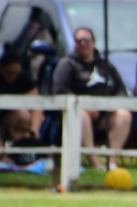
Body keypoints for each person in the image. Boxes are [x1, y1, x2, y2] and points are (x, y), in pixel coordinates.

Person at [52, 27, 131, 171]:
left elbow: (121, 90)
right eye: (79, 41)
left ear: (94, 43)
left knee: (124, 115)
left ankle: (111, 163)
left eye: (87, 40)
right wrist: (84, 106)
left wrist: (113, 105)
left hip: (104, 115)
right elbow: (60, 90)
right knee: (81, 115)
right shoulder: (67, 65)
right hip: (75, 115)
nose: (83, 44)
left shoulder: (106, 65)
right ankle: (95, 163)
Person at [0, 43, 42, 149]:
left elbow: (36, 103)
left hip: (18, 118)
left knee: (22, 115)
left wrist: (34, 130)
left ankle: (25, 153)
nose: (13, 77)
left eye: (16, 74)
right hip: (3, 118)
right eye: (9, 73)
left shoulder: (24, 77)